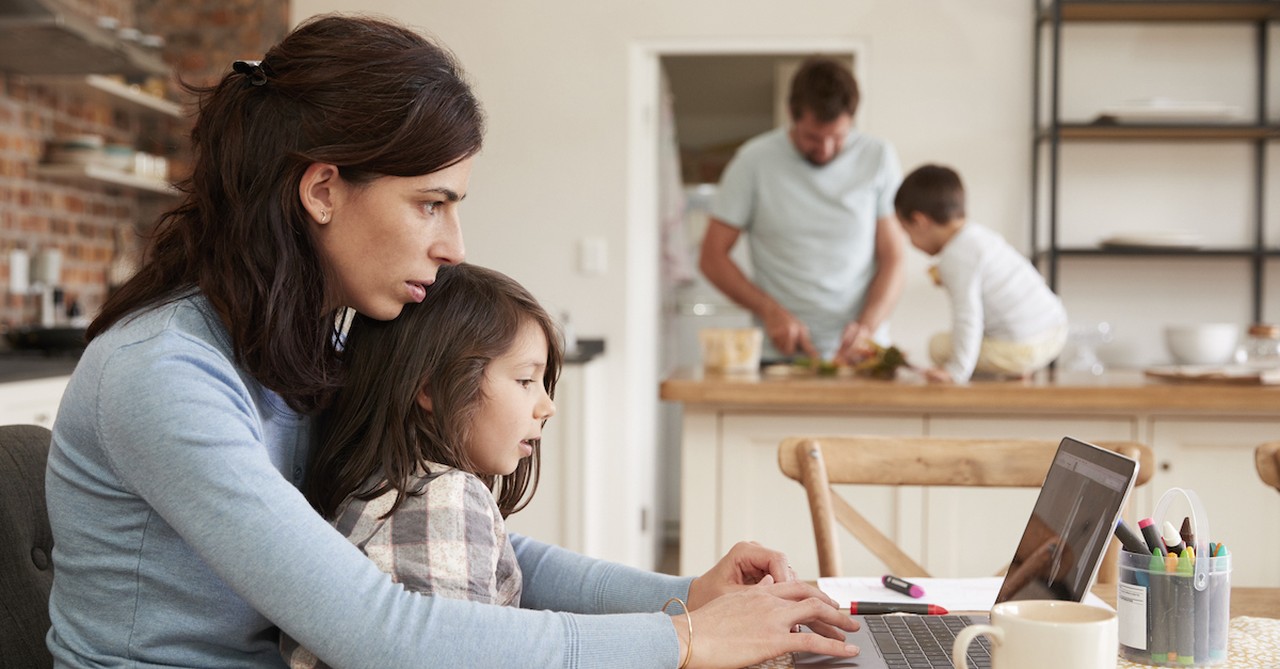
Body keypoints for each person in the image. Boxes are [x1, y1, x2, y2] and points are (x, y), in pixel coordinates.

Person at [44, 13, 859, 669]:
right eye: (432, 203)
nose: (454, 244)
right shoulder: (166, 373)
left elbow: (484, 546)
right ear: (324, 188)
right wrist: (683, 642)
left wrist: (687, 596)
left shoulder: (307, 347)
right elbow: (382, 633)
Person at [281, 263, 559, 668]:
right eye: (524, 381)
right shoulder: (445, 498)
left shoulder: (376, 486)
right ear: (431, 387)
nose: (547, 406)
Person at [699, 56, 906, 364]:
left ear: (851, 119)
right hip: (779, 355)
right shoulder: (753, 162)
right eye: (812, 137)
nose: (824, 150)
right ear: (791, 115)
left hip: (860, 356)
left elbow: (894, 257)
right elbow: (712, 258)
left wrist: (867, 326)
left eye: (837, 137)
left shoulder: (878, 157)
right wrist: (769, 310)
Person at [893, 164, 1068, 384]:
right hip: (1054, 331)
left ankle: (1007, 368)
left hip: (1022, 348)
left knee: (938, 346)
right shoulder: (980, 237)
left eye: (907, 232)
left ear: (920, 222)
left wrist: (956, 370)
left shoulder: (955, 257)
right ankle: (1015, 368)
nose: (911, 242)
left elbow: (967, 317)